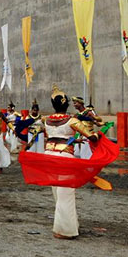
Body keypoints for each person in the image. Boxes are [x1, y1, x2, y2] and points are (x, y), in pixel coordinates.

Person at [43, 86, 98, 239]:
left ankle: (66, 225)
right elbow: (91, 136)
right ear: (66, 104)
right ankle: (65, 230)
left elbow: (55, 136)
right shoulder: (72, 120)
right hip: (64, 157)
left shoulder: (46, 120)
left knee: (57, 192)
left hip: (49, 156)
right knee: (66, 193)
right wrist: (97, 137)